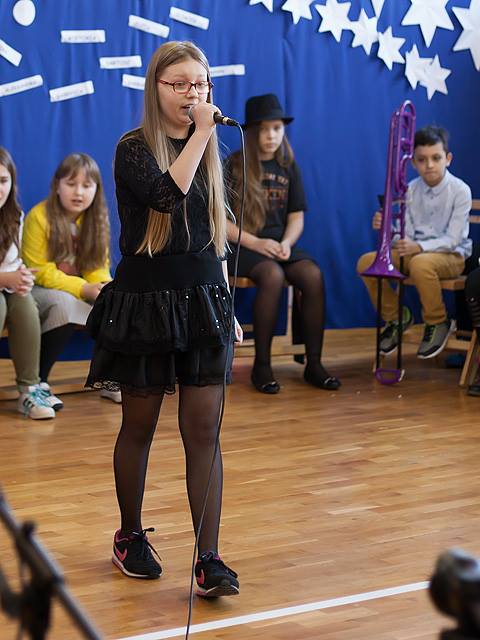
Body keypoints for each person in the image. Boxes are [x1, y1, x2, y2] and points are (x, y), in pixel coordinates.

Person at [85, 41, 242, 597]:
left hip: (202, 297)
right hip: (146, 299)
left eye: (200, 84)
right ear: (156, 89)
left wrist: (226, 305)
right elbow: (164, 198)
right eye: (179, 84)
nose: (192, 94)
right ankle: (129, 535)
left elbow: (214, 234)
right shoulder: (133, 148)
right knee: (140, 426)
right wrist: (201, 134)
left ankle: (209, 558)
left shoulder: (210, 151)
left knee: (203, 431)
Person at [226, 93, 340, 394]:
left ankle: (314, 363)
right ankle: (262, 366)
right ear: (251, 132)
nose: (271, 136)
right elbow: (221, 223)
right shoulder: (234, 165)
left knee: (312, 274)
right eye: (264, 129)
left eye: (277, 128)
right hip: (244, 246)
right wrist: (257, 243)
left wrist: (287, 243)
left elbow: (296, 217)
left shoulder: (288, 166)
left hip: (279, 245)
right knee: (273, 275)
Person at [357, 125, 472, 359]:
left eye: (436, 158)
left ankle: (437, 321)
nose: (429, 165)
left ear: (448, 159)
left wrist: (418, 247)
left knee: (420, 263)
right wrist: (387, 228)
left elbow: (453, 239)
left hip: (451, 256)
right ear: (413, 163)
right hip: (415, 254)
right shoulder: (409, 189)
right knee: (366, 263)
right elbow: (403, 235)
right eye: (422, 159)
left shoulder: (460, 190)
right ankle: (397, 317)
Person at [22, 153, 118, 410]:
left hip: (77, 288)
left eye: (86, 186)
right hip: (38, 289)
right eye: (71, 184)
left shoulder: (96, 220)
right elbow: (39, 270)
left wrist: (102, 288)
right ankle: (39, 381)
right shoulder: (39, 217)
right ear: (57, 185)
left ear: (96, 190)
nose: (78, 192)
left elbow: (97, 266)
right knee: (63, 304)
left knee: (115, 300)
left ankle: (109, 377)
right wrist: (83, 288)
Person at [0, 147, 54, 419]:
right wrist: (6, 278)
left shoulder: (13, 215)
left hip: (5, 285)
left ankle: (28, 390)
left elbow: (12, 262)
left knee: (24, 302)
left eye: (3, 180)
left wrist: (20, 278)